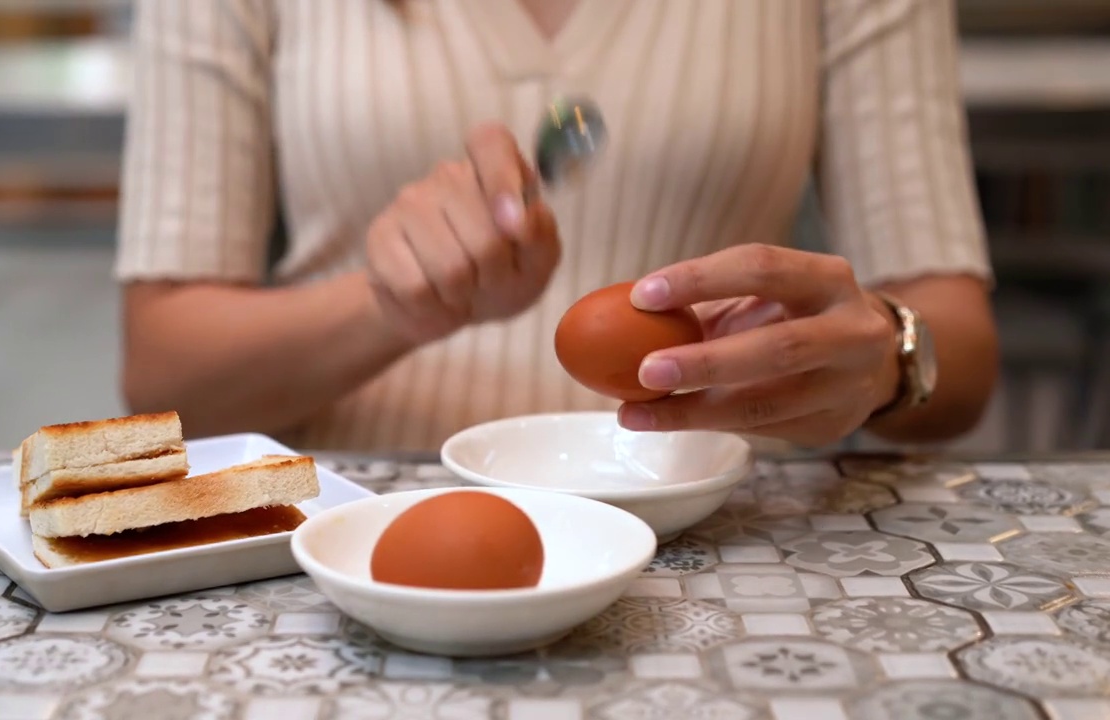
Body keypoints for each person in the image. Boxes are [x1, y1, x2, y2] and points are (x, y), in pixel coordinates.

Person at [114, 0, 999, 453]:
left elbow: (958, 347)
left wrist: (887, 353)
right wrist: (395, 309)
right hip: (361, 534)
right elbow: (165, 371)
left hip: (725, 536)